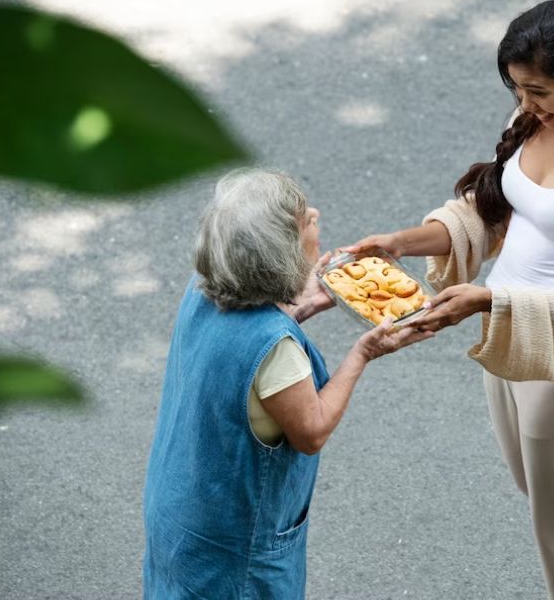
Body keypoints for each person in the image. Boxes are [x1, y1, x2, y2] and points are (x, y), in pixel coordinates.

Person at [348, 1, 554, 600]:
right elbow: (489, 213)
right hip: (508, 334)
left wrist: (485, 302)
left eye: (538, 91)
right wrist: (402, 241)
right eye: (518, 89)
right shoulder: (539, 118)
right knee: (545, 486)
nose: (526, 104)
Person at [143, 169, 433, 599]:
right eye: (304, 221)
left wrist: (295, 309)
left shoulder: (201, 290)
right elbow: (311, 431)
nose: (314, 214)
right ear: (281, 251)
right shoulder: (275, 349)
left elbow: (239, 354)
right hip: (234, 546)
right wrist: (363, 353)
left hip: (179, 512)